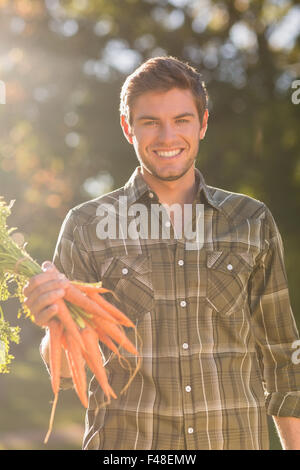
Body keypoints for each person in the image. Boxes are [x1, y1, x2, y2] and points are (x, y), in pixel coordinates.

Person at [23, 56, 300, 450]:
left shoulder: (251, 221)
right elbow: (68, 373)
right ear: (127, 128)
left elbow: (283, 361)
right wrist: (55, 322)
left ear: (203, 124)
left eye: (182, 120)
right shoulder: (87, 226)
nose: (167, 136)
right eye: (150, 122)